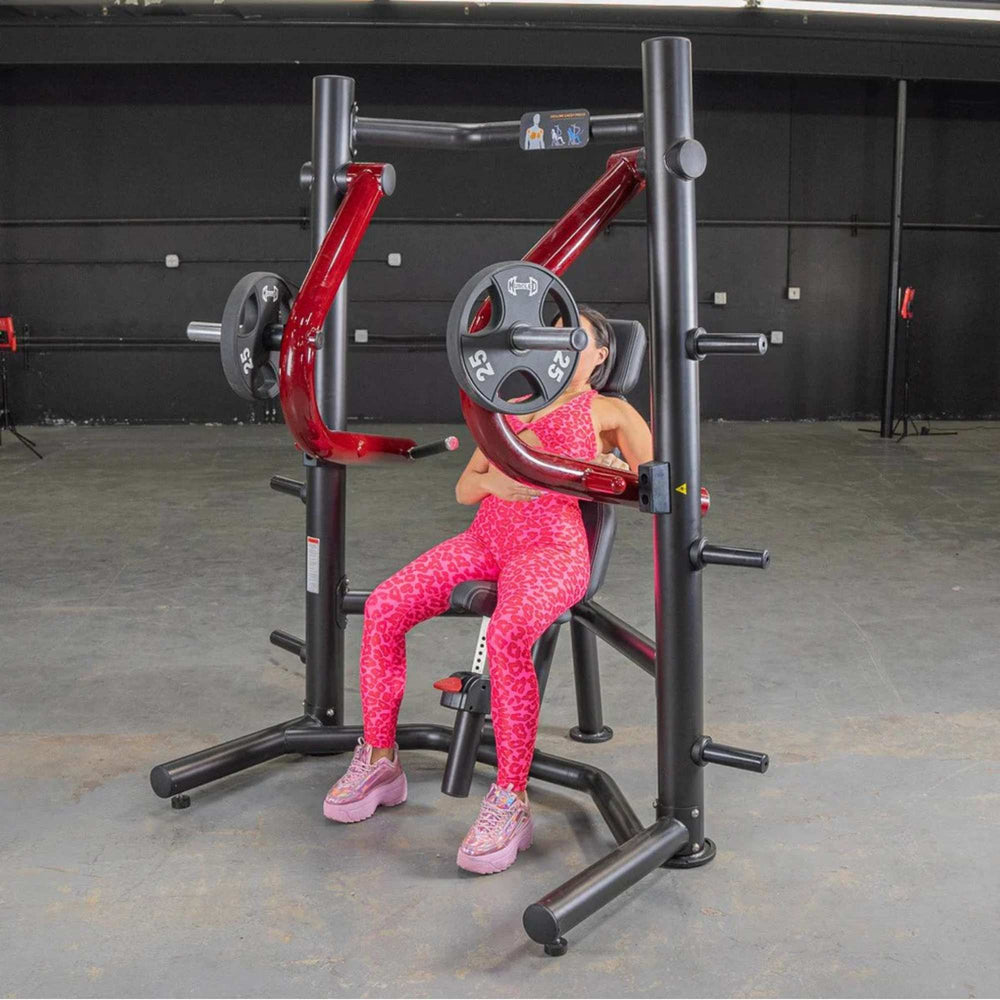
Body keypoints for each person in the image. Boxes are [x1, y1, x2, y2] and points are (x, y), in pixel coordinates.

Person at [323, 305, 653, 875]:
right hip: (486, 540)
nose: (560, 342)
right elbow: (464, 487)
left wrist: (609, 470)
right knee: (383, 608)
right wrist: (499, 478)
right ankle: (380, 761)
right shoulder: (514, 405)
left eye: (578, 338)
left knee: (509, 635)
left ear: (599, 356)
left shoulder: (608, 409)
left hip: (551, 549)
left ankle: (511, 800)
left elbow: (659, 481)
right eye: (552, 334)